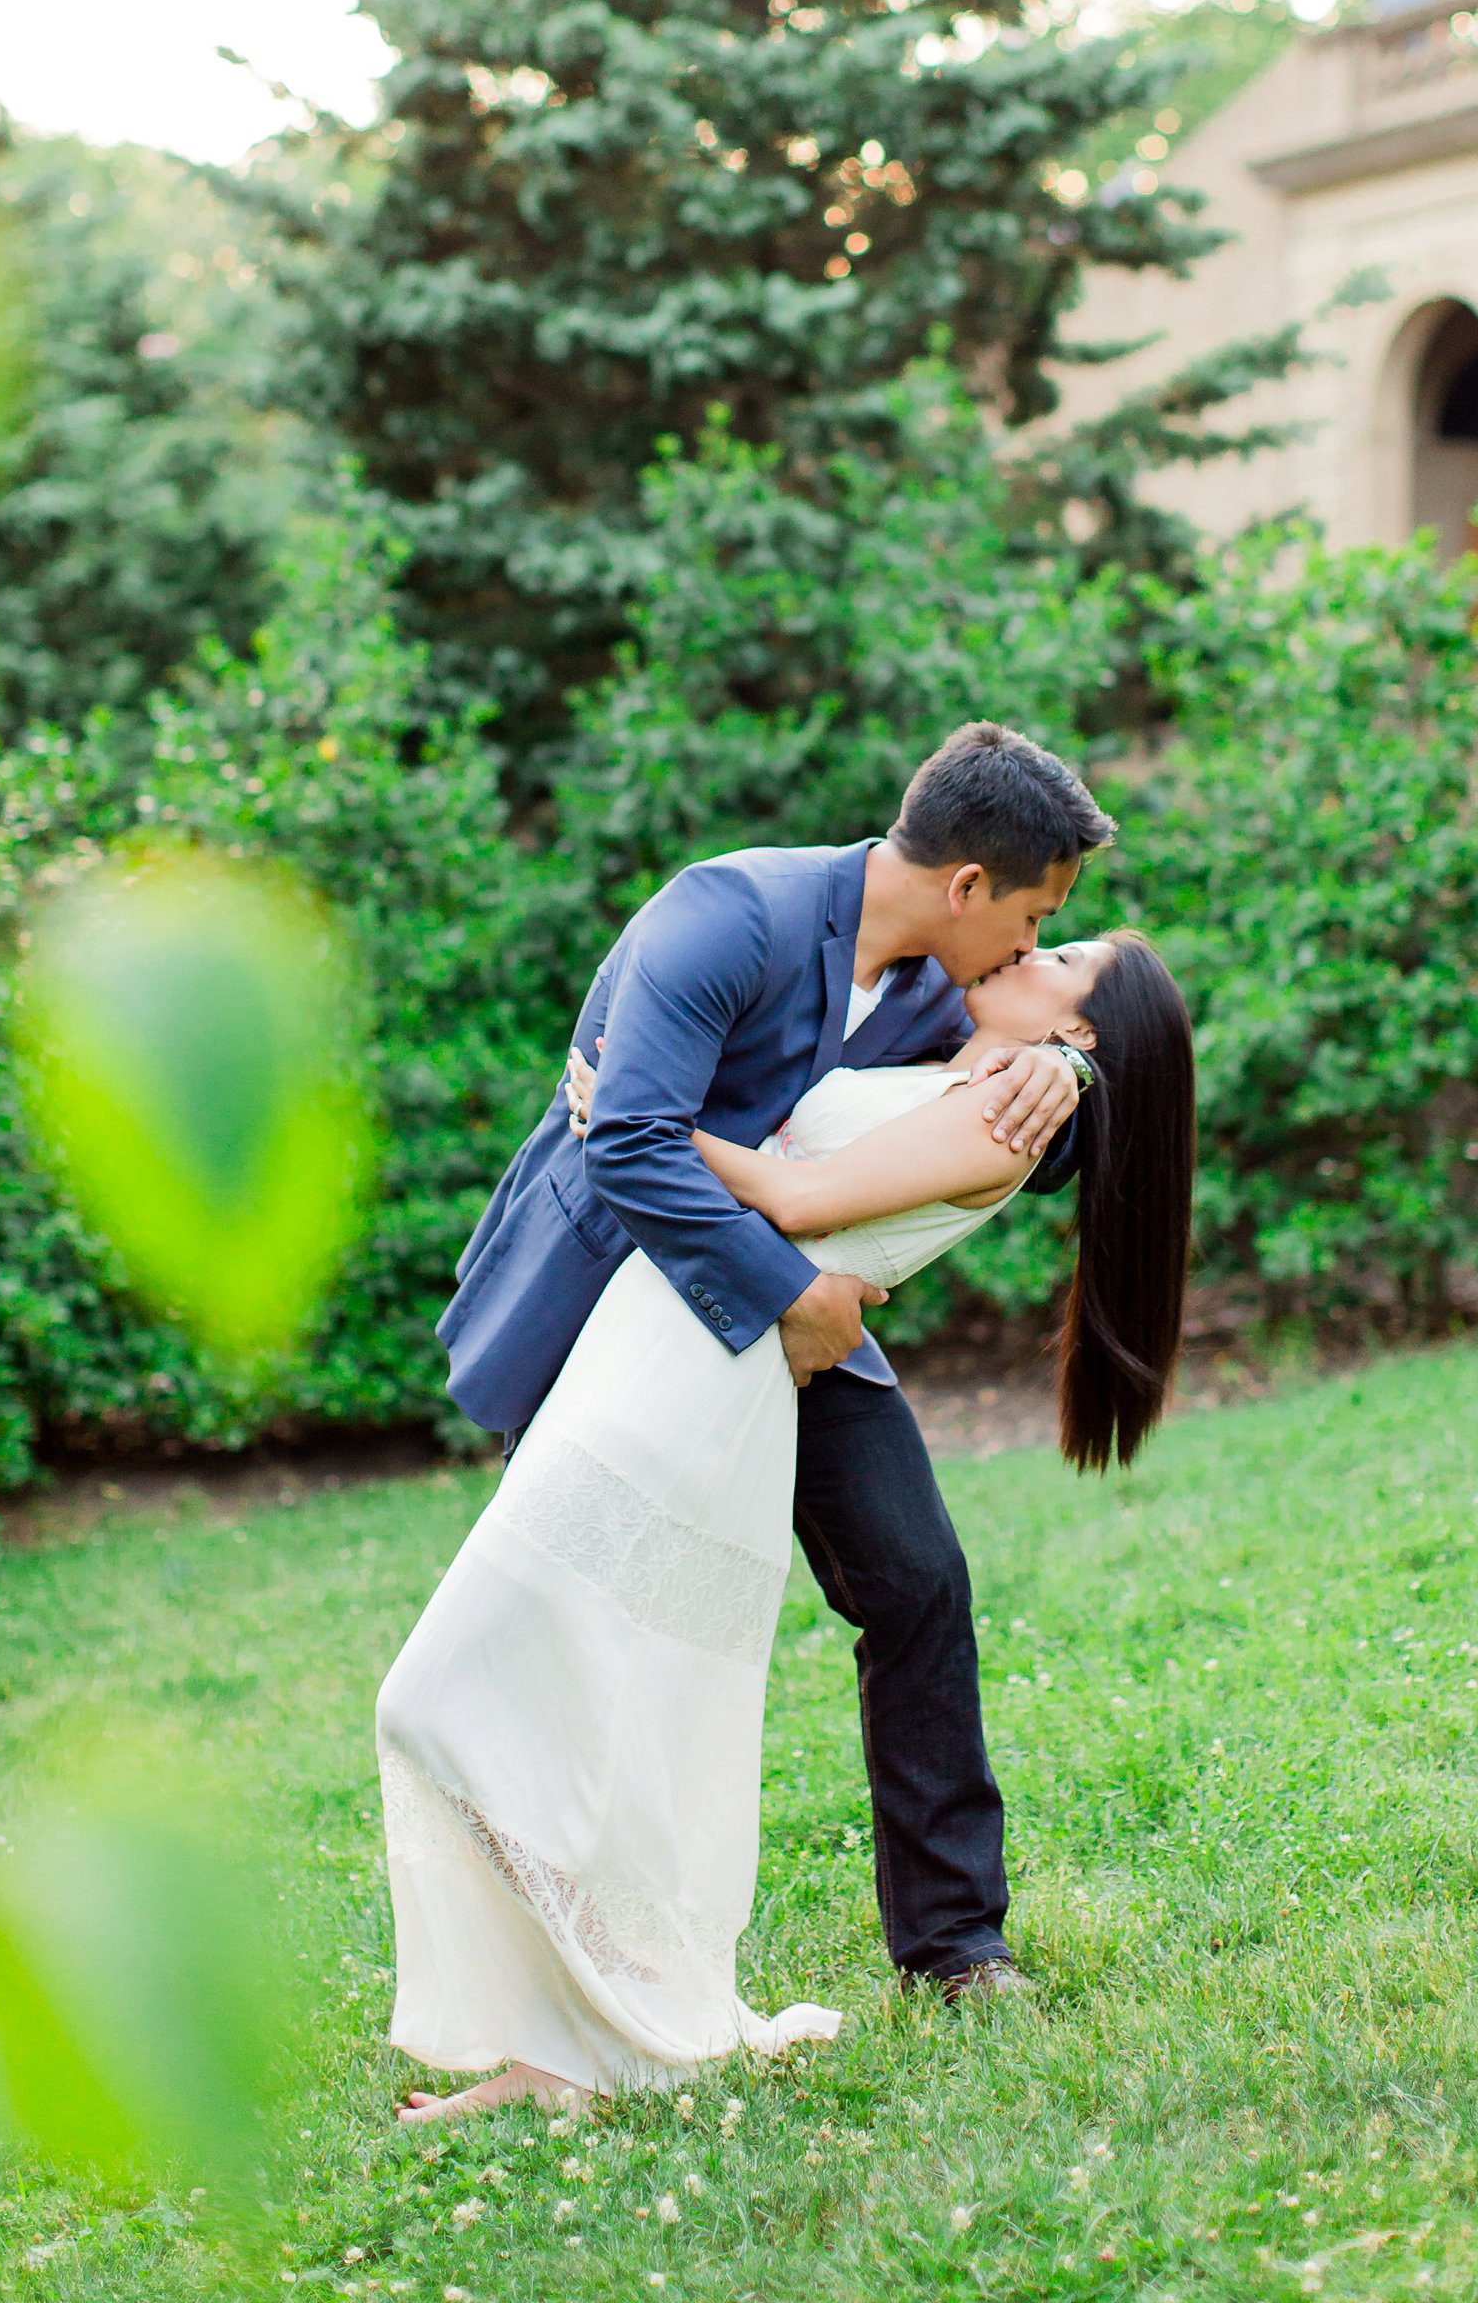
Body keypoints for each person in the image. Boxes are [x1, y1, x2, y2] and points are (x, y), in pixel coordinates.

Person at [374, 724, 1195, 2114]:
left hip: (791, 1337)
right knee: (576, 1655)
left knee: (918, 1584)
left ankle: (954, 1949)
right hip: (644, 1313)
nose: (1029, 947)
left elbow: (984, 1121)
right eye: (1037, 919)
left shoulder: (955, 985)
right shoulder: (731, 915)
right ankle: (558, 2025)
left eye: (1050, 939)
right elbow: (630, 1141)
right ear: (974, 883)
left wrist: (1077, 1080)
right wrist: (795, 1293)